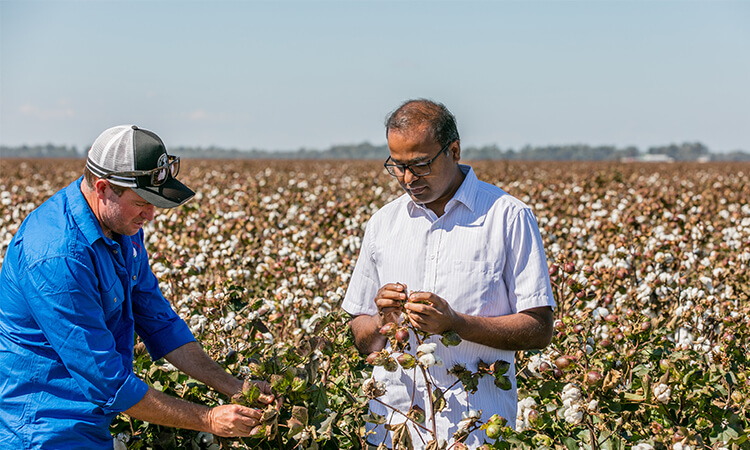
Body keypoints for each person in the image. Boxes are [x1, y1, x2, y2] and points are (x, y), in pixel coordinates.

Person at [0, 125, 275, 448]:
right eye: (142, 201)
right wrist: (210, 419)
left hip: (90, 425)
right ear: (102, 188)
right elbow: (108, 382)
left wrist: (234, 386)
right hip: (43, 432)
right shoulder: (56, 255)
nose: (151, 214)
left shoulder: (123, 229)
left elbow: (160, 324)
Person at [342, 100, 556, 448]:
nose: (408, 179)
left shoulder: (507, 217)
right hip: (392, 429)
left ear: (453, 150)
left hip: (476, 431)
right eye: (397, 166)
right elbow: (361, 336)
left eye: (421, 165)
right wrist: (384, 318)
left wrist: (455, 323)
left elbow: (539, 328)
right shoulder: (384, 223)